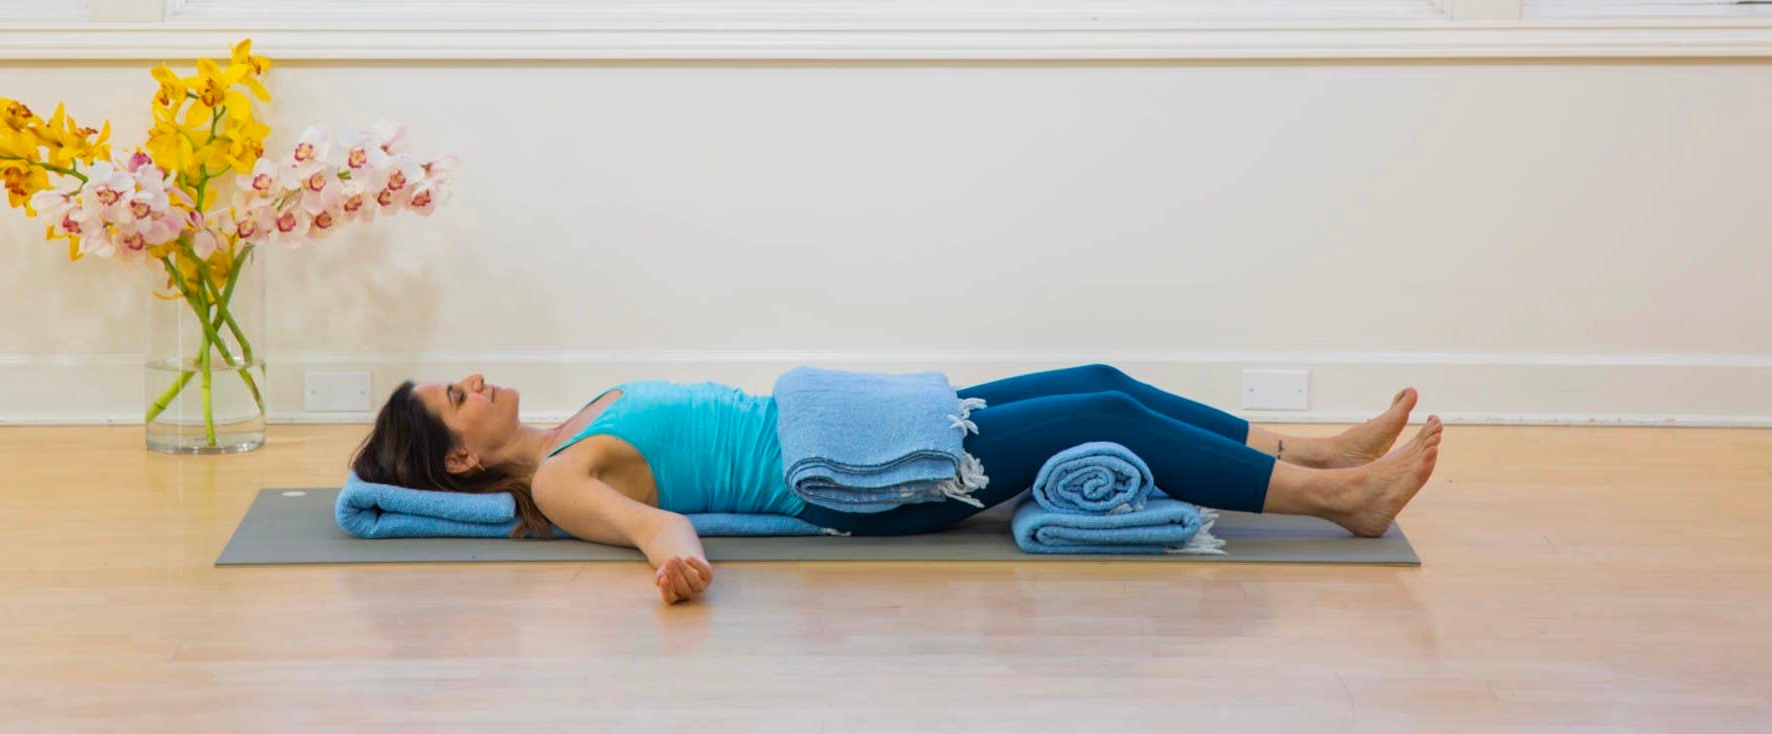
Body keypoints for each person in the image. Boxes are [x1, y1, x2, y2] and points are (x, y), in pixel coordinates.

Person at [351, 363, 1441, 605]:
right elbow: (657, 524)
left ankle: (1312, 452)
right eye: (456, 396)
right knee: (1105, 421)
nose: (475, 380)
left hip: (858, 424)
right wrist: (673, 564)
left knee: (1100, 381)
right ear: (460, 459)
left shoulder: (580, 415)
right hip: (863, 479)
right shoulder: (560, 474)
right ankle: (1341, 501)